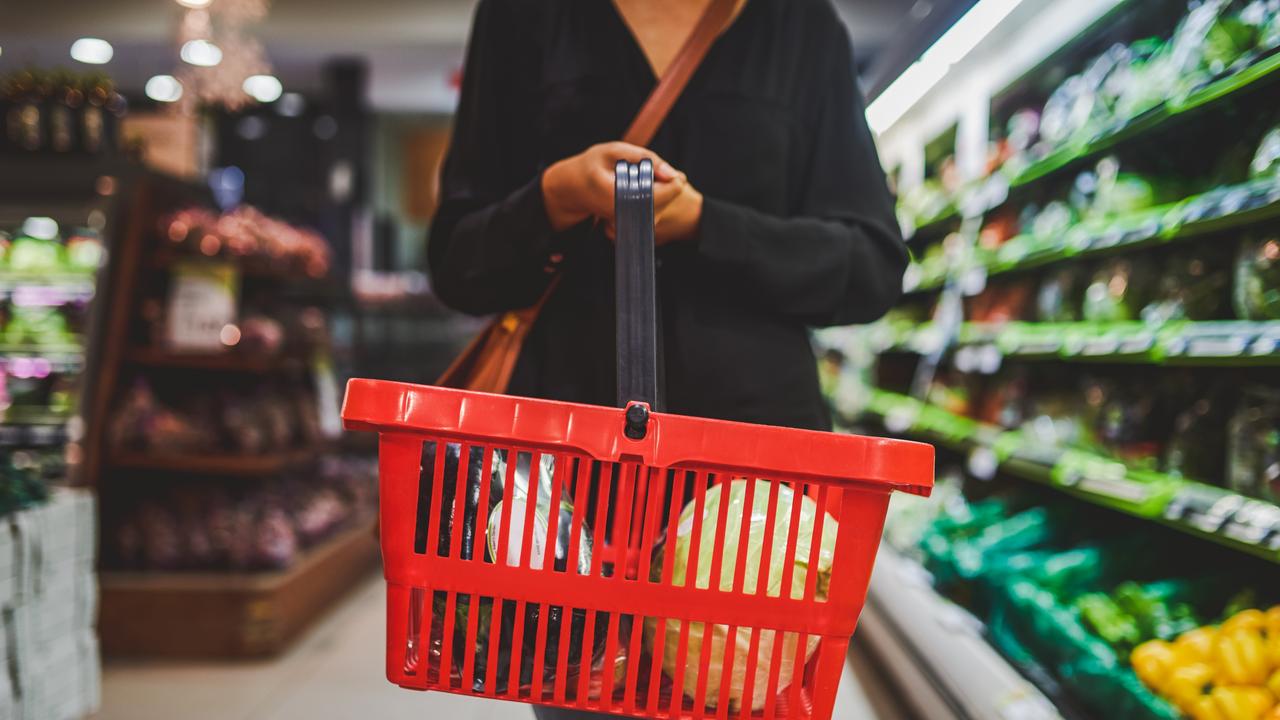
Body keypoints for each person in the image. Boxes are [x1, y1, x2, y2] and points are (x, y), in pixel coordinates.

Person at [427, 0, 904, 716]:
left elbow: (871, 266)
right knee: (575, 696)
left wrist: (709, 225)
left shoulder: (798, 25)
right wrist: (553, 196)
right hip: (573, 484)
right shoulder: (524, 16)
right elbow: (457, 263)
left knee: (743, 696)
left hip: (757, 496)